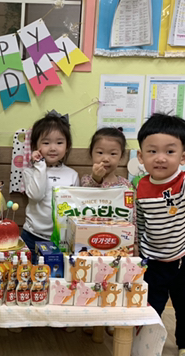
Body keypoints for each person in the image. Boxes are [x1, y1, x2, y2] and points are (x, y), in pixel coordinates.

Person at [136, 113, 185, 356]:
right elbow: (140, 221)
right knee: (150, 306)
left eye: (169, 151)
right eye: (152, 151)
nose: (160, 157)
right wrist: (139, 250)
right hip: (153, 260)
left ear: (183, 157)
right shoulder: (140, 187)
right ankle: (145, 347)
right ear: (140, 157)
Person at [81, 127, 134, 336]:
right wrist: (96, 179)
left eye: (113, 153)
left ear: (121, 157)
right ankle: (88, 318)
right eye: (100, 152)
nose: (106, 158)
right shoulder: (86, 180)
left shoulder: (126, 185)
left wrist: (133, 243)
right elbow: (82, 202)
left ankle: (113, 318)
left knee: (115, 280)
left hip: (118, 244)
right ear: (91, 154)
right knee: (91, 278)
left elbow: (132, 215)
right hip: (90, 243)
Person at [21, 111, 79, 260]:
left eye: (59, 143)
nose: (53, 148)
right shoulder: (30, 172)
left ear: (67, 146)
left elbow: (75, 210)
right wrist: (40, 166)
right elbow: (36, 195)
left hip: (62, 239)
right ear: (35, 146)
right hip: (32, 236)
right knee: (30, 274)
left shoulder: (72, 175)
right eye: (46, 143)